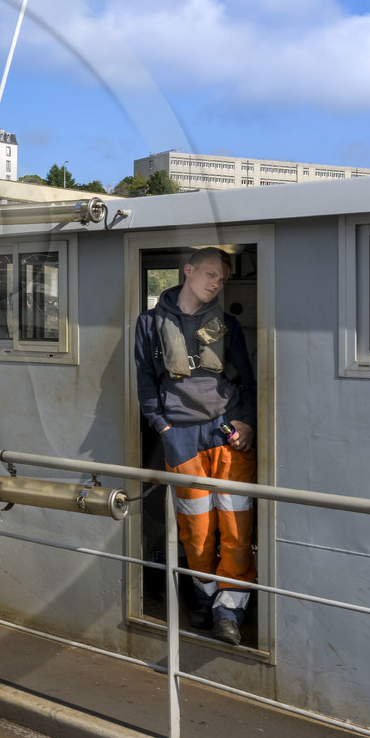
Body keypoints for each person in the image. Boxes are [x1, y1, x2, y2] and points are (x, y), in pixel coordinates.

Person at [134, 247, 257, 646]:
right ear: (188, 271)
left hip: (226, 432)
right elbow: (145, 385)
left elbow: (249, 384)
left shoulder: (229, 325)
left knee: (237, 526)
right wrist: (163, 427)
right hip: (181, 437)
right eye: (209, 275)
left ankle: (230, 610)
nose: (215, 284)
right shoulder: (149, 324)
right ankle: (204, 600)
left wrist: (246, 423)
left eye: (220, 279)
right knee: (197, 528)